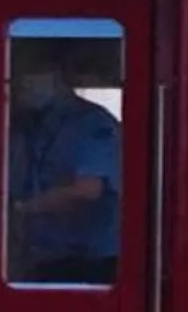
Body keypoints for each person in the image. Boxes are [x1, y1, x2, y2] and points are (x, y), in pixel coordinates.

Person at [7, 43, 122, 283]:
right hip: (40, 260)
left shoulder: (90, 124)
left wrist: (20, 211)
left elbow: (88, 190)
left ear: (59, 73)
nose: (23, 82)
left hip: (88, 265)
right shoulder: (27, 125)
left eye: (32, 71)